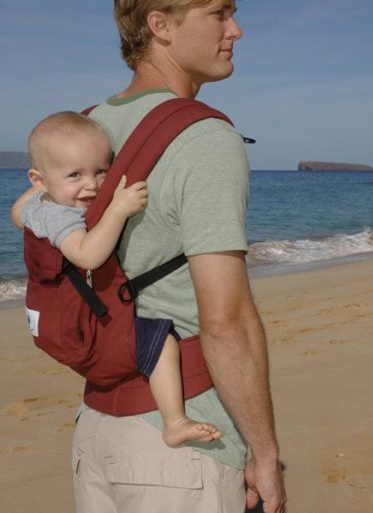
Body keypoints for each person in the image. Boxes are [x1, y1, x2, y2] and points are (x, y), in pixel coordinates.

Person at [73, 0, 286, 513]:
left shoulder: (87, 128)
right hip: (184, 440)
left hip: (96, 428)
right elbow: (226, 322)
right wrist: (265, 454)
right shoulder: (204, 137)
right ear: (160, 25)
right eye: (219, 14)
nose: (236, 30)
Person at [11, 111, 222, 448]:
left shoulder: (37, 206)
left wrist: (51, 183)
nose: (92, 185)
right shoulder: (59, 216)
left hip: (55, 327)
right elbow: (87, 255)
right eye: (75, 174)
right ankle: (175, 422)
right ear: (38, 180)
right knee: (161, 342)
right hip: (83, 335)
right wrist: (118, 210)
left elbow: (16, 213)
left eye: (101, 171)